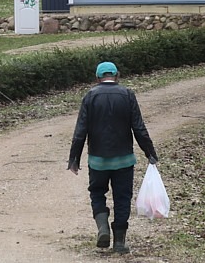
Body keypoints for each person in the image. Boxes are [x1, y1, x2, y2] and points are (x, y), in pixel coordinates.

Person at [68, 61, 158, 254]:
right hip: (124, 159)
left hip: (97, 160)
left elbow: (80, 131)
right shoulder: (128, 95)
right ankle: (119, 241)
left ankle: (102, 227)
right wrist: (149, 152)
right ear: (117, 75)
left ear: (97, 78)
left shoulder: (90, 97)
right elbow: (139, 128)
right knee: (122, 197)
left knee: (97, 192)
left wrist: (73, 158)